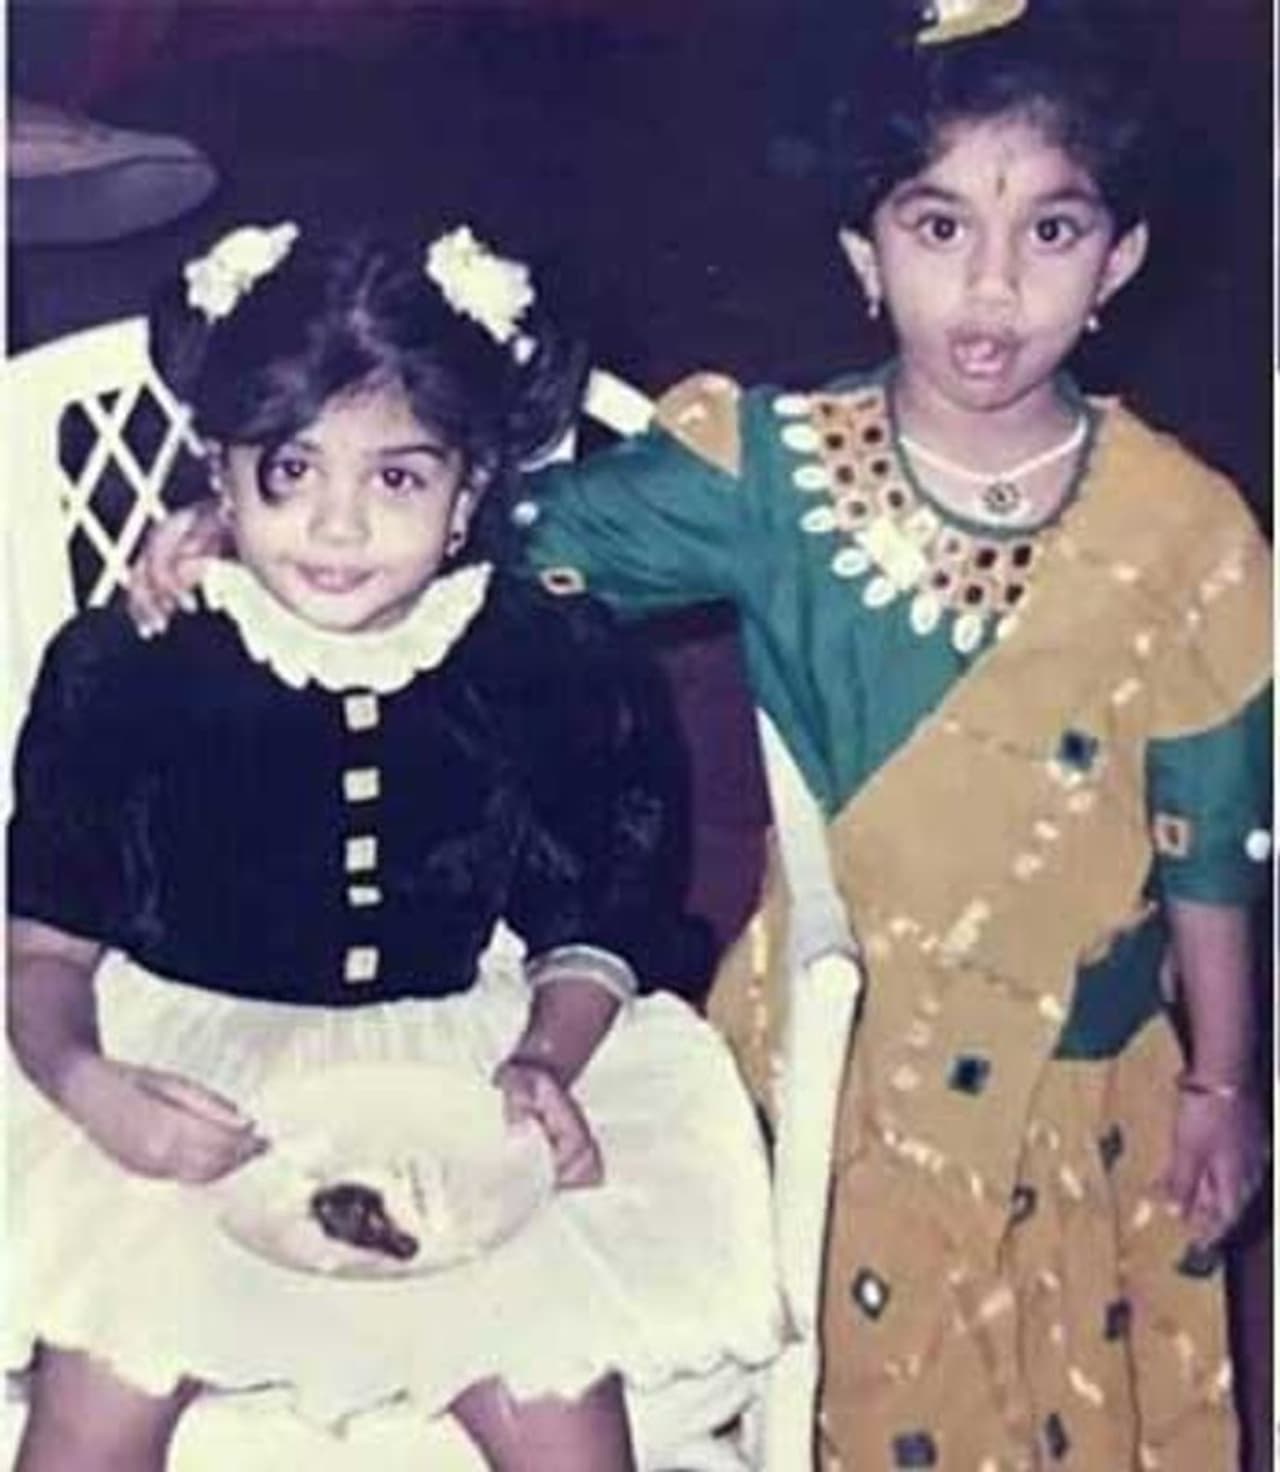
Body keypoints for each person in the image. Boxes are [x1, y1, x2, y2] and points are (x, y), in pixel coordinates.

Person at [124, 9, 1273, 1470]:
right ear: (863, 252)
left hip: (1089, 1074)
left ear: (1118, 260)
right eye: (938, 226)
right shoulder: (776, 474)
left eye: (1051, 230)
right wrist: (260, 519)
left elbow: (1210, 829)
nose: (991, 284)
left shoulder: (1187, 532)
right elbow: (494, 530)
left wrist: (1222, 1079)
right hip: (855, 1071)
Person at [6, 221, 781, 1472]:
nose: (338, 525)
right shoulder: (128, 666)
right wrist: (88, 1085)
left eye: (399, 479)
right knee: (97, 1400)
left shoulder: (543, 660)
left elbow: (599, 912)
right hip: (180, 1072)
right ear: (218, 470)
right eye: (289, 471)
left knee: (558, 1408)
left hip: (456, 1072)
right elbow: (41, 945)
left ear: (468, 491)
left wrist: (545, 1057)